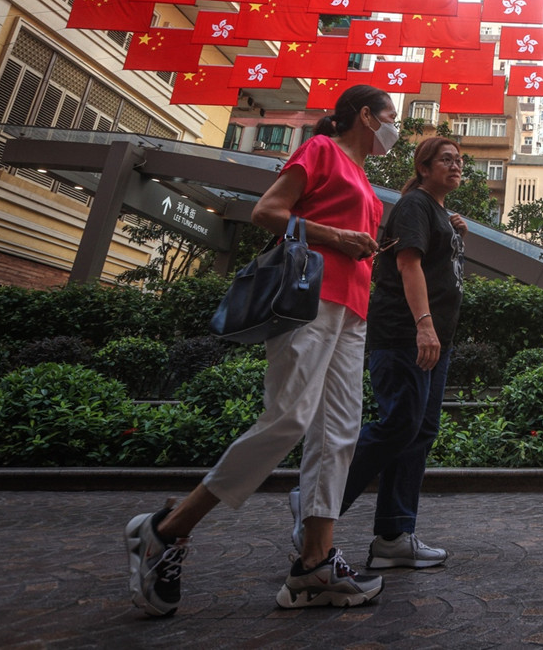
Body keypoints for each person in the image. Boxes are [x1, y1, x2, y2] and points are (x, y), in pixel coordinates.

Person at [124, 85, 400, 615]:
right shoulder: (321, 151)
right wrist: (337, 237)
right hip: (309, 301)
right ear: (364, 116)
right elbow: (266, 212)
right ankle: (166, 529)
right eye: (388, 116)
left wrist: (359, 246)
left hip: (351, 310)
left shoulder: (365, 176)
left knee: (339, 431)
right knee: (290, 419)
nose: (392, 127)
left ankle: (314, 567)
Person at [336, 135, 467, 571]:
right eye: (446, 159)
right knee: (400, 424)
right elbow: (407, 264)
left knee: (418, 431)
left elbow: (430, 259)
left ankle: (393, 534)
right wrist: (423, 325)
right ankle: (320, 502)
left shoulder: (434, 212)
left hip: (433, 339)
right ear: (425, 167)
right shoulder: (414, 204)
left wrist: (451, 228)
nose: (456, 165)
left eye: (459, 160)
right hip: (406, 334)